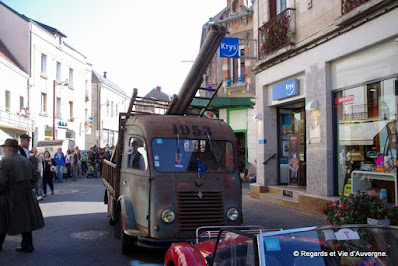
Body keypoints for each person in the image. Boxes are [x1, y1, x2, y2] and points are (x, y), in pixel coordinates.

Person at [0, 139, 45, 252]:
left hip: (10, 195)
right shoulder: (25, 160)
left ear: (9, 149)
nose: (3, 150)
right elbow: (35, 175)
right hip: (26, 194)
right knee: (25, 220)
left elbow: (2, 182)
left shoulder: (5, 161)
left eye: (4, 148)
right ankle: (27, 245)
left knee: (3, 221)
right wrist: (29, 186)